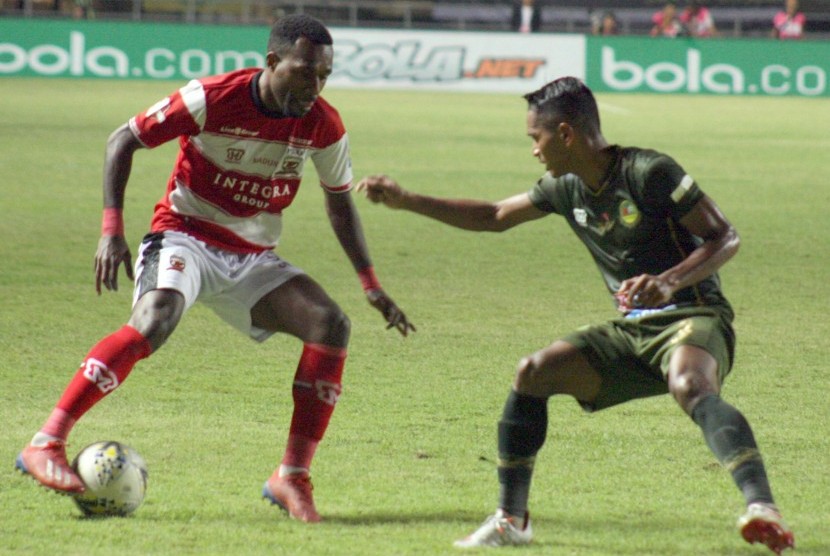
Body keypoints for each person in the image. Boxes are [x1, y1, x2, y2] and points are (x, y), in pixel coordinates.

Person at [356, 77, 795, 554]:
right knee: (533, 372)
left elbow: (725, 237)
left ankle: (762, 508)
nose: (533, 151)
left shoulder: (650, 172)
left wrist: (668, 282)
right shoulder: (565, 188)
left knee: (690, 385)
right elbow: (494, 215)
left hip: (694, 314)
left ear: (565, 134)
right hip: (632, 332)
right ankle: (511, 520)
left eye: (535, 138)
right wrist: (406, 200)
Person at [15, 14, 414, 523]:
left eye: (324, 76)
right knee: (154, 318)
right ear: (272, 62)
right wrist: (111, 228)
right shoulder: (213, 97)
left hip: (252, 256)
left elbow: (339, 204)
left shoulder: (323, 125)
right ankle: (46, 442)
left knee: (330, 324)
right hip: (185, 233)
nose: (314, 86)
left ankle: (291, 477)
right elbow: (123, 139)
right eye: (304, 72)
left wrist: (371, 284)